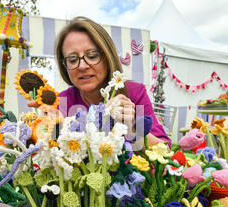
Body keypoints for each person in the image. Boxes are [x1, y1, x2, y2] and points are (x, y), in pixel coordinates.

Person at [29, 16, 171, 149]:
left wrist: (135, 129)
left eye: (92, 56)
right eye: (72, 59)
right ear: (64, 66)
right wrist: (42, 130)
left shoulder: (134, 93)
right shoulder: (61, 102)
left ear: (108, 57)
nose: (82, 66)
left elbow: (165, 149)